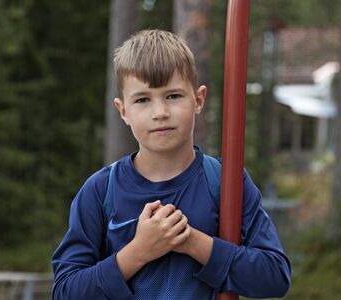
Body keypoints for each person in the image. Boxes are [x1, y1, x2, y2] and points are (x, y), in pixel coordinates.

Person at [52, 29, 291, 299]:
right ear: (123, 111)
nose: (160, 112)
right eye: (143, 99)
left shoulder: (226, 182)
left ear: (198, 99)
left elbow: (275, 276)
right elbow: (65, 291)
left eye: (173, 96)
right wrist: (139, 251)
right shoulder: (100, 190)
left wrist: (192, 242)